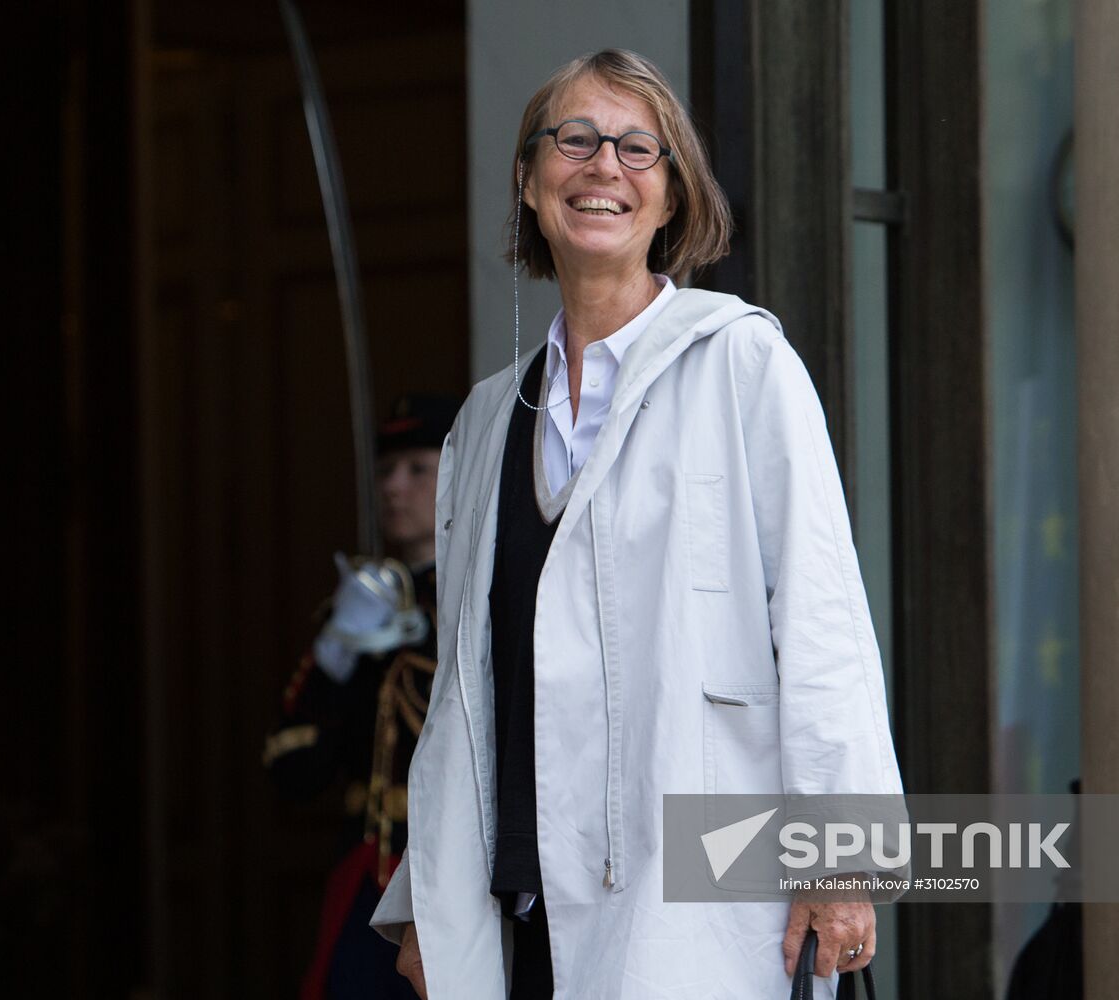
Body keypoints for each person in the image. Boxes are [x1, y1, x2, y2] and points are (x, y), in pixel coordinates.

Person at [370, 49, 903, 999]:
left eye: (637, 149)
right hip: (516, 911)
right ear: (531, 185)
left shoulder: (742, 365)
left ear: (672, 201)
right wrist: (426, 894)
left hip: (693, 907)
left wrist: (839, 859)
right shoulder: (485, 422)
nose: (603, 165)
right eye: (573, 140)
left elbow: (822, 619)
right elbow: (462, 684)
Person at [265, 392, 459, 1000]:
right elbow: (290, 768)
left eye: (417, 469)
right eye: (385, 472)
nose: (395, 488)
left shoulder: (473, 598)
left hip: (450, 864)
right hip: (368, 865)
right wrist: (338, 650)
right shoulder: (354, 610)